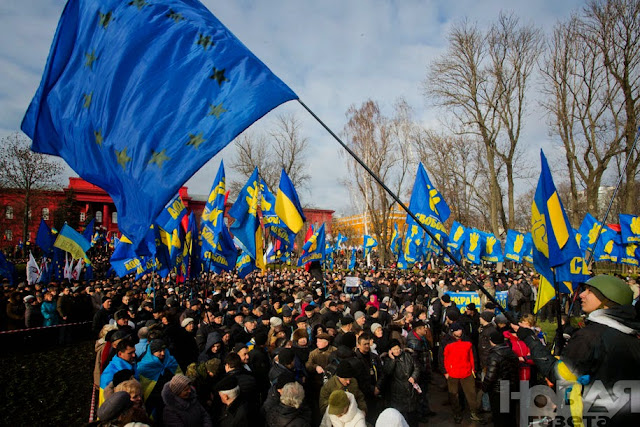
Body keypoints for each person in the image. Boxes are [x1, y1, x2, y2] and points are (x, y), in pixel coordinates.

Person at [515, 275, 640, 425]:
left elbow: (559, 376)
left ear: (608, 300)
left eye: (590, 291)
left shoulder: (590, 336)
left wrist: (530, 339)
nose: (581, 294)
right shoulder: (632, 335)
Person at [441, 323, 484, 424]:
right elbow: (442, 358)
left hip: (466, 371)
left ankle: (473, 413)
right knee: (454, 395)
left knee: (471, 394)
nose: (459, 332)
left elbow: (472, 356)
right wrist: (445, 372)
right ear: (453, 331)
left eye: (460, 330)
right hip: (453, 372)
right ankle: (457, 414)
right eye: (457, 330)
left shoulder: (467, 341)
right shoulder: (446, 342)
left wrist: (474, 369)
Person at [136, 339, 182, 422]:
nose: (163, 353)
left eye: (164, 350)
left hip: (171, 399)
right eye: (159, 351)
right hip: (153, 401)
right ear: (152, 352)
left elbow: (180, 377)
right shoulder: (144, 367)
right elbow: (143, 387)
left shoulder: (170, 361)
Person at [481, 330, 518, 427]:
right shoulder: (511, 352)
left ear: (492, 341)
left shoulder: (494, 355)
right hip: (511, 386)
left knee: (499, 417)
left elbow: (490, 376)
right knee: (510, 415)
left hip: (498, 390)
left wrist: (484, 387)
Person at [381, 339, 419, 426]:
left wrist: (414, 376)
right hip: (397, 392)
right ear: (390, 351)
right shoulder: (387, 360)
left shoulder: (407, 356)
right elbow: (387, 372)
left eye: (398, 349)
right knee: (402, 416)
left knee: (412, 414)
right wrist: (393, 360)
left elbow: (416, 367)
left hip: (410, 389)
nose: (397, 351)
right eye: (394, 349)